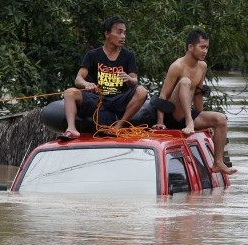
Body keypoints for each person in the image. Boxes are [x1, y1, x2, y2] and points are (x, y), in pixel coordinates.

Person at [152, 30, 237, 175]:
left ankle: (218, 163)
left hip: (188, 117)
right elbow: (163, 96)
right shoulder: (177, 66)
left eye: (207, 47)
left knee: (220, 119)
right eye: (202, 47)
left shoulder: (202, 66)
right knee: (185, 81)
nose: (205, 51)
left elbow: (198, 93)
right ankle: (190, 122)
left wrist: (203, 119)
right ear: (190, 47)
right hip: (173, 114)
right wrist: (160, 122)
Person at [58, 16, 147, 140]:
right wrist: (86, 84)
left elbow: (134, 81)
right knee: (69, 93)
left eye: (125, 33)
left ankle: (119, 126)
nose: (123, 36)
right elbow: (78, 79)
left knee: (142, 91)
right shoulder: (92, 55)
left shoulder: (128, 56)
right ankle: (71, 129)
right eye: (119, 32)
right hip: (98, 99)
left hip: (119, 100)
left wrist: (128, 79)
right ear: (107, 34)